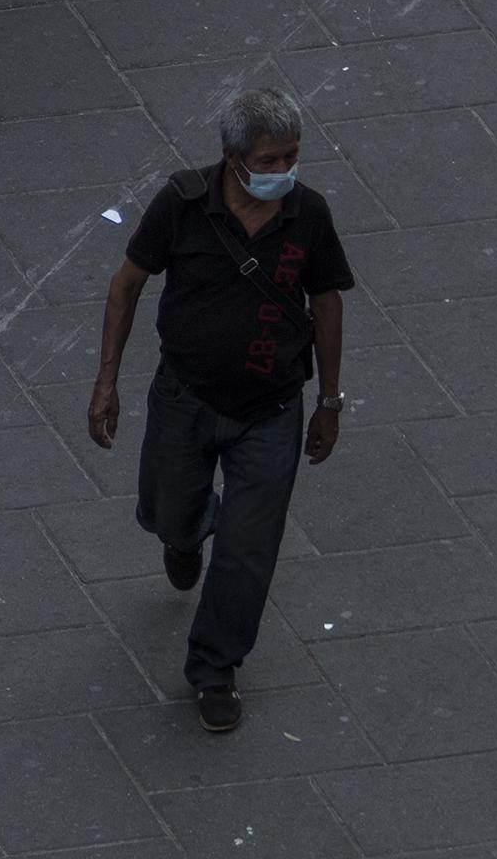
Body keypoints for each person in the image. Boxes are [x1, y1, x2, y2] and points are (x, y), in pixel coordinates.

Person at [87, 88, 351, 736]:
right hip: (185, 398)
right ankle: (184, 534)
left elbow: (328, 304)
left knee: (248, 550)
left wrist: (330, 401)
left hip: (271, 410)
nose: (282, 169)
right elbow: (126, 285)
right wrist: (108, 380)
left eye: (291, 155)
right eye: (269, 157)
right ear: (232, 158)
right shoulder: (181, 206)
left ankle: (214, 667)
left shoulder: (308, 215)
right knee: (168, 510)